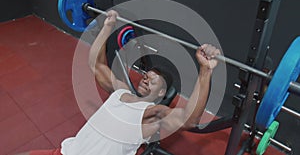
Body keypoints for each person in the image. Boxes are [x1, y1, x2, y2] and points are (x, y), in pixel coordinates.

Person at [20, 10, 220, 155]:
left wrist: (205, 70)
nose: (147, 78)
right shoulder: (121, 91)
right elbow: (96, 65)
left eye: (154, 79)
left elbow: (189, 119)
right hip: (64, 151)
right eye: (146, 74)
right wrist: (106, 27)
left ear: (162, 93)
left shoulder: (152, 114)